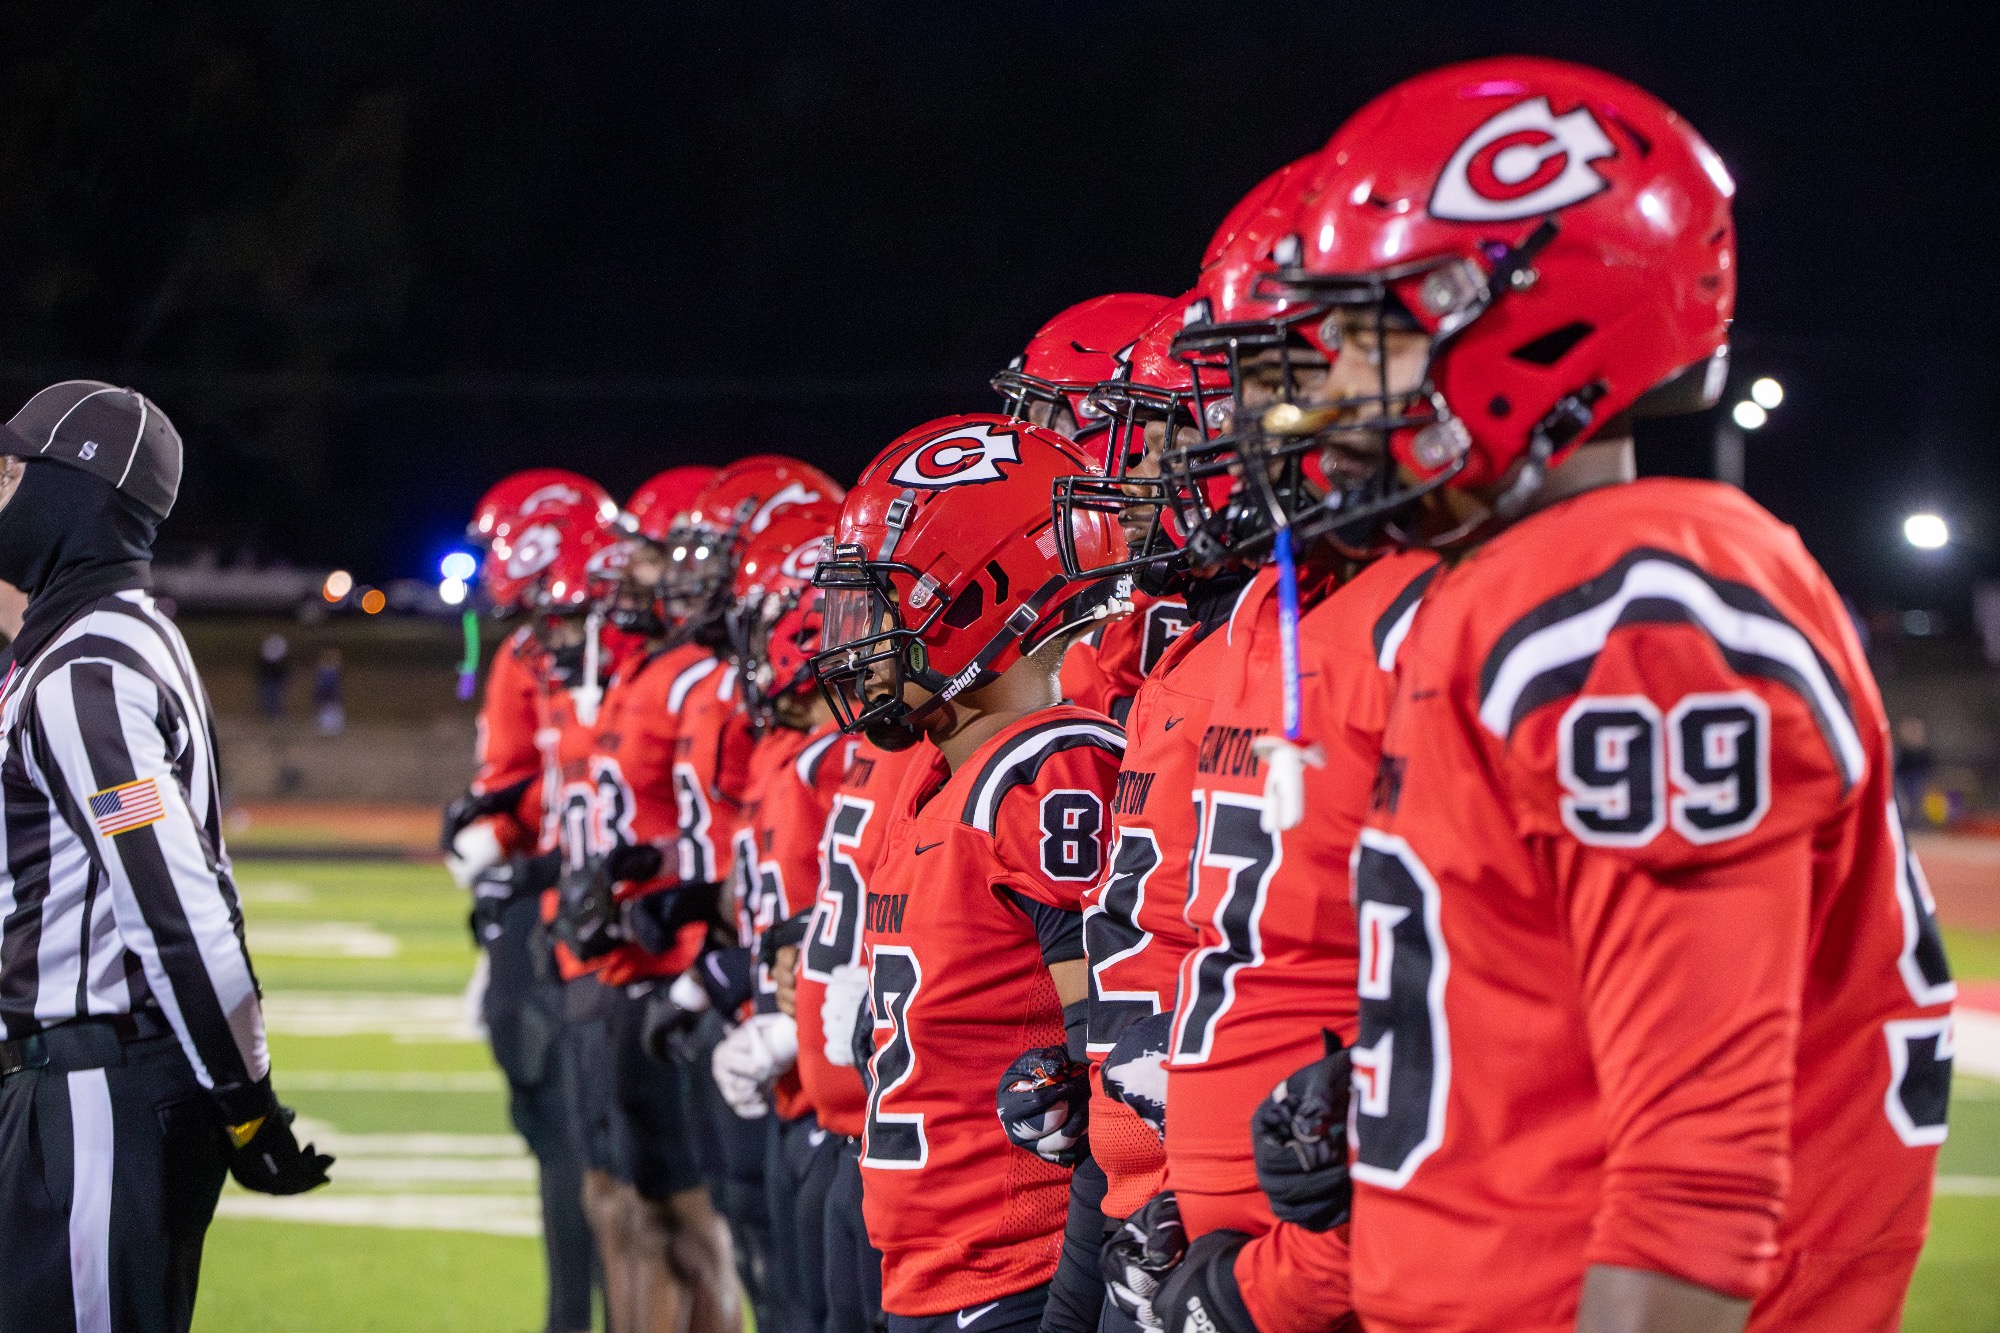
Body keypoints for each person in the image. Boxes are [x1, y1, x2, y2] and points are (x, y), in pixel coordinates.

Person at [1269, 56, 1953, 1332]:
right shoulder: (1516, 587)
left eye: (1374, 338)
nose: (1325, 399)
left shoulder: (1627, 613)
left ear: (1533, 323)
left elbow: (1693, 1179)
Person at [0, 381, 331, 1333]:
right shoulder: (111, 636)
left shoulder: (87, 670)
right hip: (96, 1081)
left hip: (98, 1085)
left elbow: (175, 902)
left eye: (17, 469)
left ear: (75, 491)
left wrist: (247, 1100)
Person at [811, 414, 1130, 1333]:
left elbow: (1110, 1086)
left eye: (882, 605)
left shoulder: (1048, 772)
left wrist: (1072, 1304)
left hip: (1019, 1274)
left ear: (977, 598)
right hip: (929, 1264)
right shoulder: (933, 776)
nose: (854, 638)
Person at [442, 466, 619, 1333]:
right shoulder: (526, 655)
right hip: (542, 925)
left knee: (643, 1183)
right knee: (552, 1133)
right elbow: (509, 785)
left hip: (622, 930)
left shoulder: (631, 660)